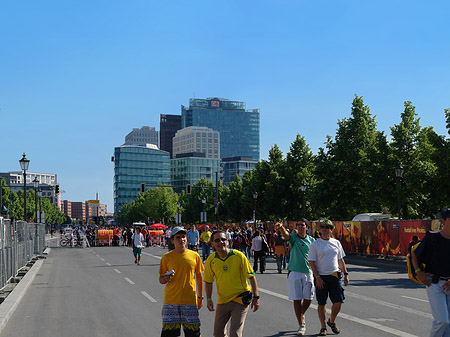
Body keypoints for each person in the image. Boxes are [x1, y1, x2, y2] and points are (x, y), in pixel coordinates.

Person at [204, 230, 260, 337]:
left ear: (228, 241)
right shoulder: (211, 260)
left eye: (223, 239)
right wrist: (209, 299)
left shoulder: (238, 256)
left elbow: (251, 277)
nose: (221, 242)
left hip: (240, 299)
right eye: (217, 240)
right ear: (212, 244)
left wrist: (256, 297)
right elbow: (208, 281)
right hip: (223, 301)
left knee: (235, 333)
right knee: (218, 333)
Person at [159, 227, 204, 337]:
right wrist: (165, 279)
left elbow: (199, 277)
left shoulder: (194, 256)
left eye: (183, 237)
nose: (181, 239)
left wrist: (200, 297)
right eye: (177, 237)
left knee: (193, 333)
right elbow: (161, 279)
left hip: (189, 301)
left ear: (187, 239)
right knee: (169, 334)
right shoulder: (166, 258)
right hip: (171, 302)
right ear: (172, 240)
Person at [412, 209, 450, 337]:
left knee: (449, 326)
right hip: (435, 283)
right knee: (442, 321)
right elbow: (414, 255)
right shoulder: (433, 237)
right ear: (443, 221)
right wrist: (419, 272)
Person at [308, 220, 349, 336]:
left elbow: (340, 260)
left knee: (339, 301)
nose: (325, 229)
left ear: (331, 230)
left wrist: (346, 274)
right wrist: (317, 277)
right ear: (320, 230)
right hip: (321, 277)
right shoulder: (315, 244)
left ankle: (331, 320)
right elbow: (311, 262)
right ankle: (323, 327)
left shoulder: (336, 243)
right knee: (322, 303)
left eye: (328, 227)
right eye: (323, 227)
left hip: (335, 276)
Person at [275, 220, 315, 335]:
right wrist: (281, 227)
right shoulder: (293, 238)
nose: (300, 227)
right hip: (295, 272)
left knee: (309, 298)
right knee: (297, 299)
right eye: (298, 225)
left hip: (308, 272)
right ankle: (301, 324)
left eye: (302, 225)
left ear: (307, 227)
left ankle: (301, 315)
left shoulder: (311, 240)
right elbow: (286, 235)